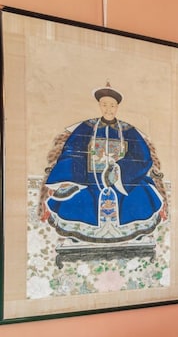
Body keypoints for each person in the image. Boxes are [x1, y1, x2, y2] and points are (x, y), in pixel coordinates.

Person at [40, 82, 166, 243]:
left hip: (123, 179)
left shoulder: (128, 130)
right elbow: (72, 150)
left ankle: (134, 235)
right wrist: (73, 177)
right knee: (77, 199)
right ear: (99, 105)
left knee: (139, 195)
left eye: (112, 105)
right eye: (105, 105)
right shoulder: (86, 128)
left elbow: (142, 156)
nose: (108, 109)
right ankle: (79, 237)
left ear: (117, 106)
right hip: (88, 178)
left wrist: (120, 169)